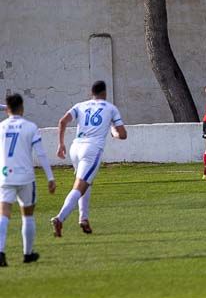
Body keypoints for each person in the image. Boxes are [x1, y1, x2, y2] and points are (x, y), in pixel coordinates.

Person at [52, 80, 126, 236]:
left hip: (75, 147)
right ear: (105, 93)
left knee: (86, 182)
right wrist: (113, 131)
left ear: (91, 93)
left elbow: (62, 121)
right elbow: (123, 135)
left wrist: (60, 144)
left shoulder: (80, 105)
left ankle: (83, 219)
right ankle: (60, 218)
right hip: (91, 150)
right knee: (80, 186)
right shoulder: (111, 108)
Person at [0, 94, 55, 264]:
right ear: (22, 108)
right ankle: (27, 254)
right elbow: (41, 154)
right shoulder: (30, 127)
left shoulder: (1, 127)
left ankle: (0, 252)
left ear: (7, 109)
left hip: (5, 176)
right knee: (28, 215)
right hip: (25, 178)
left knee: (3, 214)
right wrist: (50, 177)